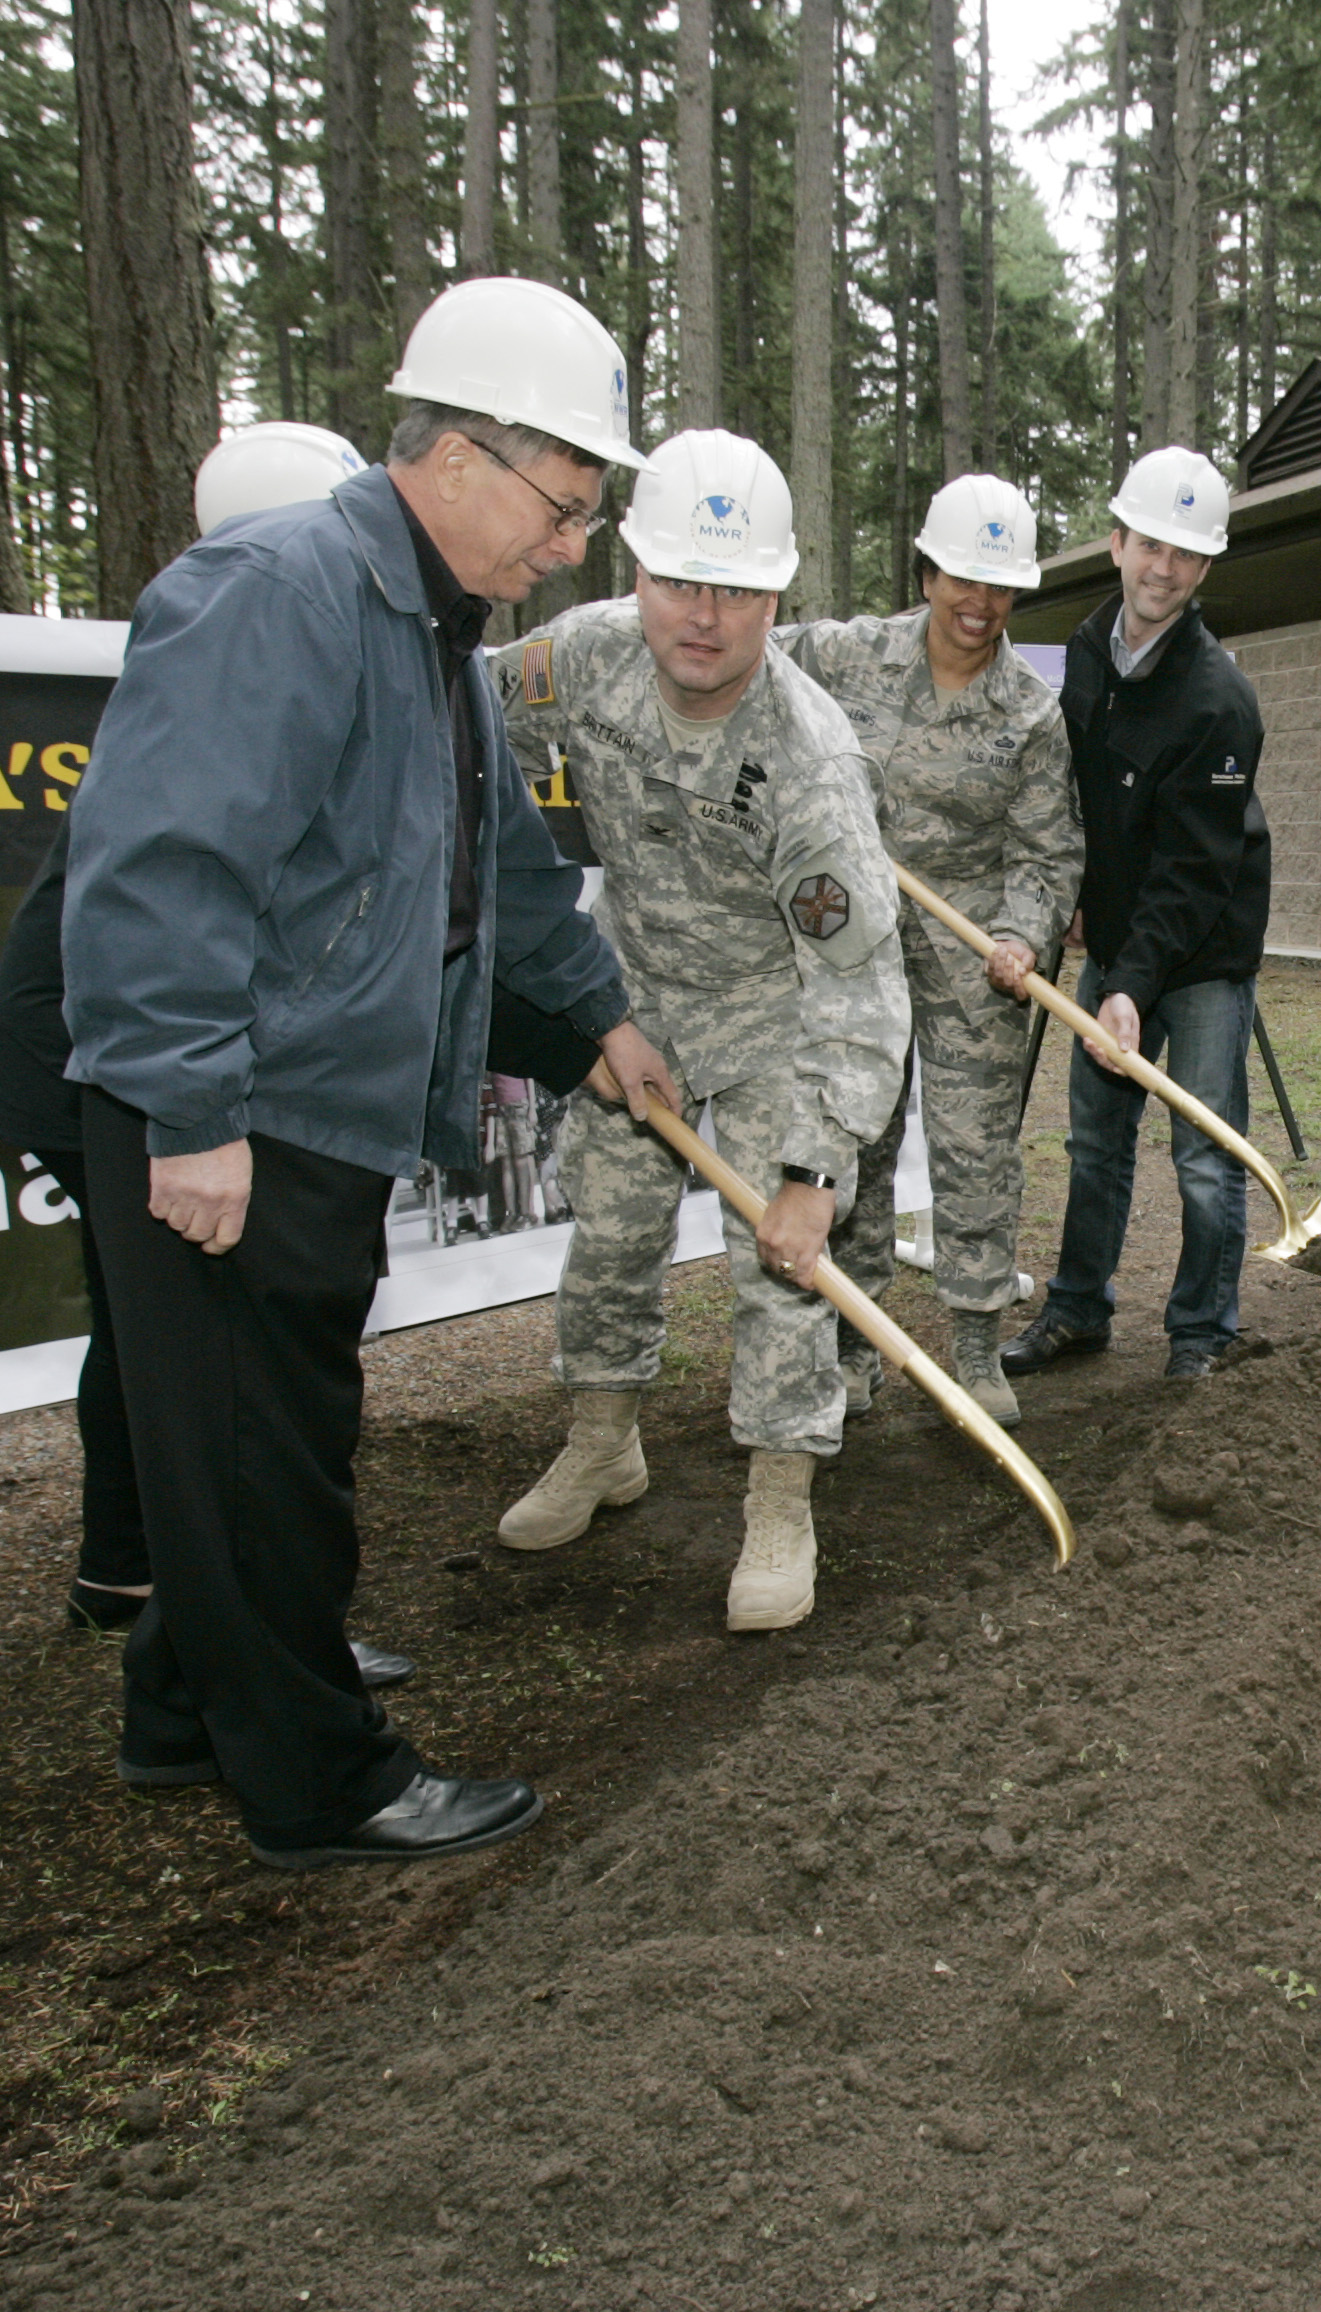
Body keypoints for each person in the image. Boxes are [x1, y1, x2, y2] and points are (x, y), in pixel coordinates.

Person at [60, 278, 681, 1870]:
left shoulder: (442, 642)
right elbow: (161, 867)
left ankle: (184, 1712)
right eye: (563, 506)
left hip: (318, 1112)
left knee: (244, 1445)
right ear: (462, 455)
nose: (571, 546)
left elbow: (512, 885)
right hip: (236, 1118)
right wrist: (191, 1113)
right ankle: (320, 1784)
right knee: (267, 1461)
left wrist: (603, 1017)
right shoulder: (284, 590)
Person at [2, 424, 406, 1679]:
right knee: (173, 1352)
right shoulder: (249, 628)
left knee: (171, 1351)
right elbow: (176, 895)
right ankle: (158, 1585)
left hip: (133, 1045)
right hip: (107, 1052)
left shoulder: (269, 635)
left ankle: (188, 1622)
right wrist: (187, 1102)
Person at [493, 429, 909, 1634]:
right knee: (610, 1227)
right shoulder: (577, 658)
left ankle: (781, 1496)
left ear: (776, 593)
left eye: (734, 588)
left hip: (776, 1012)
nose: (704, 615)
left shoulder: (812, 757)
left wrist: (815, 1173)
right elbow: (467, 744)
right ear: (634, 570)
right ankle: (602, 1441)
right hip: (629, 995)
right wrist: (553, 954)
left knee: (779, 1260)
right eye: (680, 578)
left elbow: (859, 987)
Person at [776, 472, 1082, 1429]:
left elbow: (1048, 851)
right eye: (962, 578)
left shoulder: (1032, 714)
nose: (979, 603)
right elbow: (743, 653)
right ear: (927, 572)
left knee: (976, 1152)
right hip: (855, 947)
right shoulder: (848, 656)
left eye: (998, 588)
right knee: (856, 1142)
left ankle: (978, 1351)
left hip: (971, 958)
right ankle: (856, 1347)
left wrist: (1023, 934)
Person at [1003, 446, 1269, 1384]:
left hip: (1197, 956)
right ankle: (1078, 1311)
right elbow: (1070, 796)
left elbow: (1196, 872)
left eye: (1186, 554)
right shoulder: (1083, 652)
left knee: (1202, 1151)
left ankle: (1202, 1332)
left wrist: (1130, 986)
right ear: (1117, 542)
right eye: (1150, 543)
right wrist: (1073, 893)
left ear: (1204, 568)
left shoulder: (1218, 702)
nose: (1164, 568)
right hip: (1117, 944)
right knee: (1095, 1141)